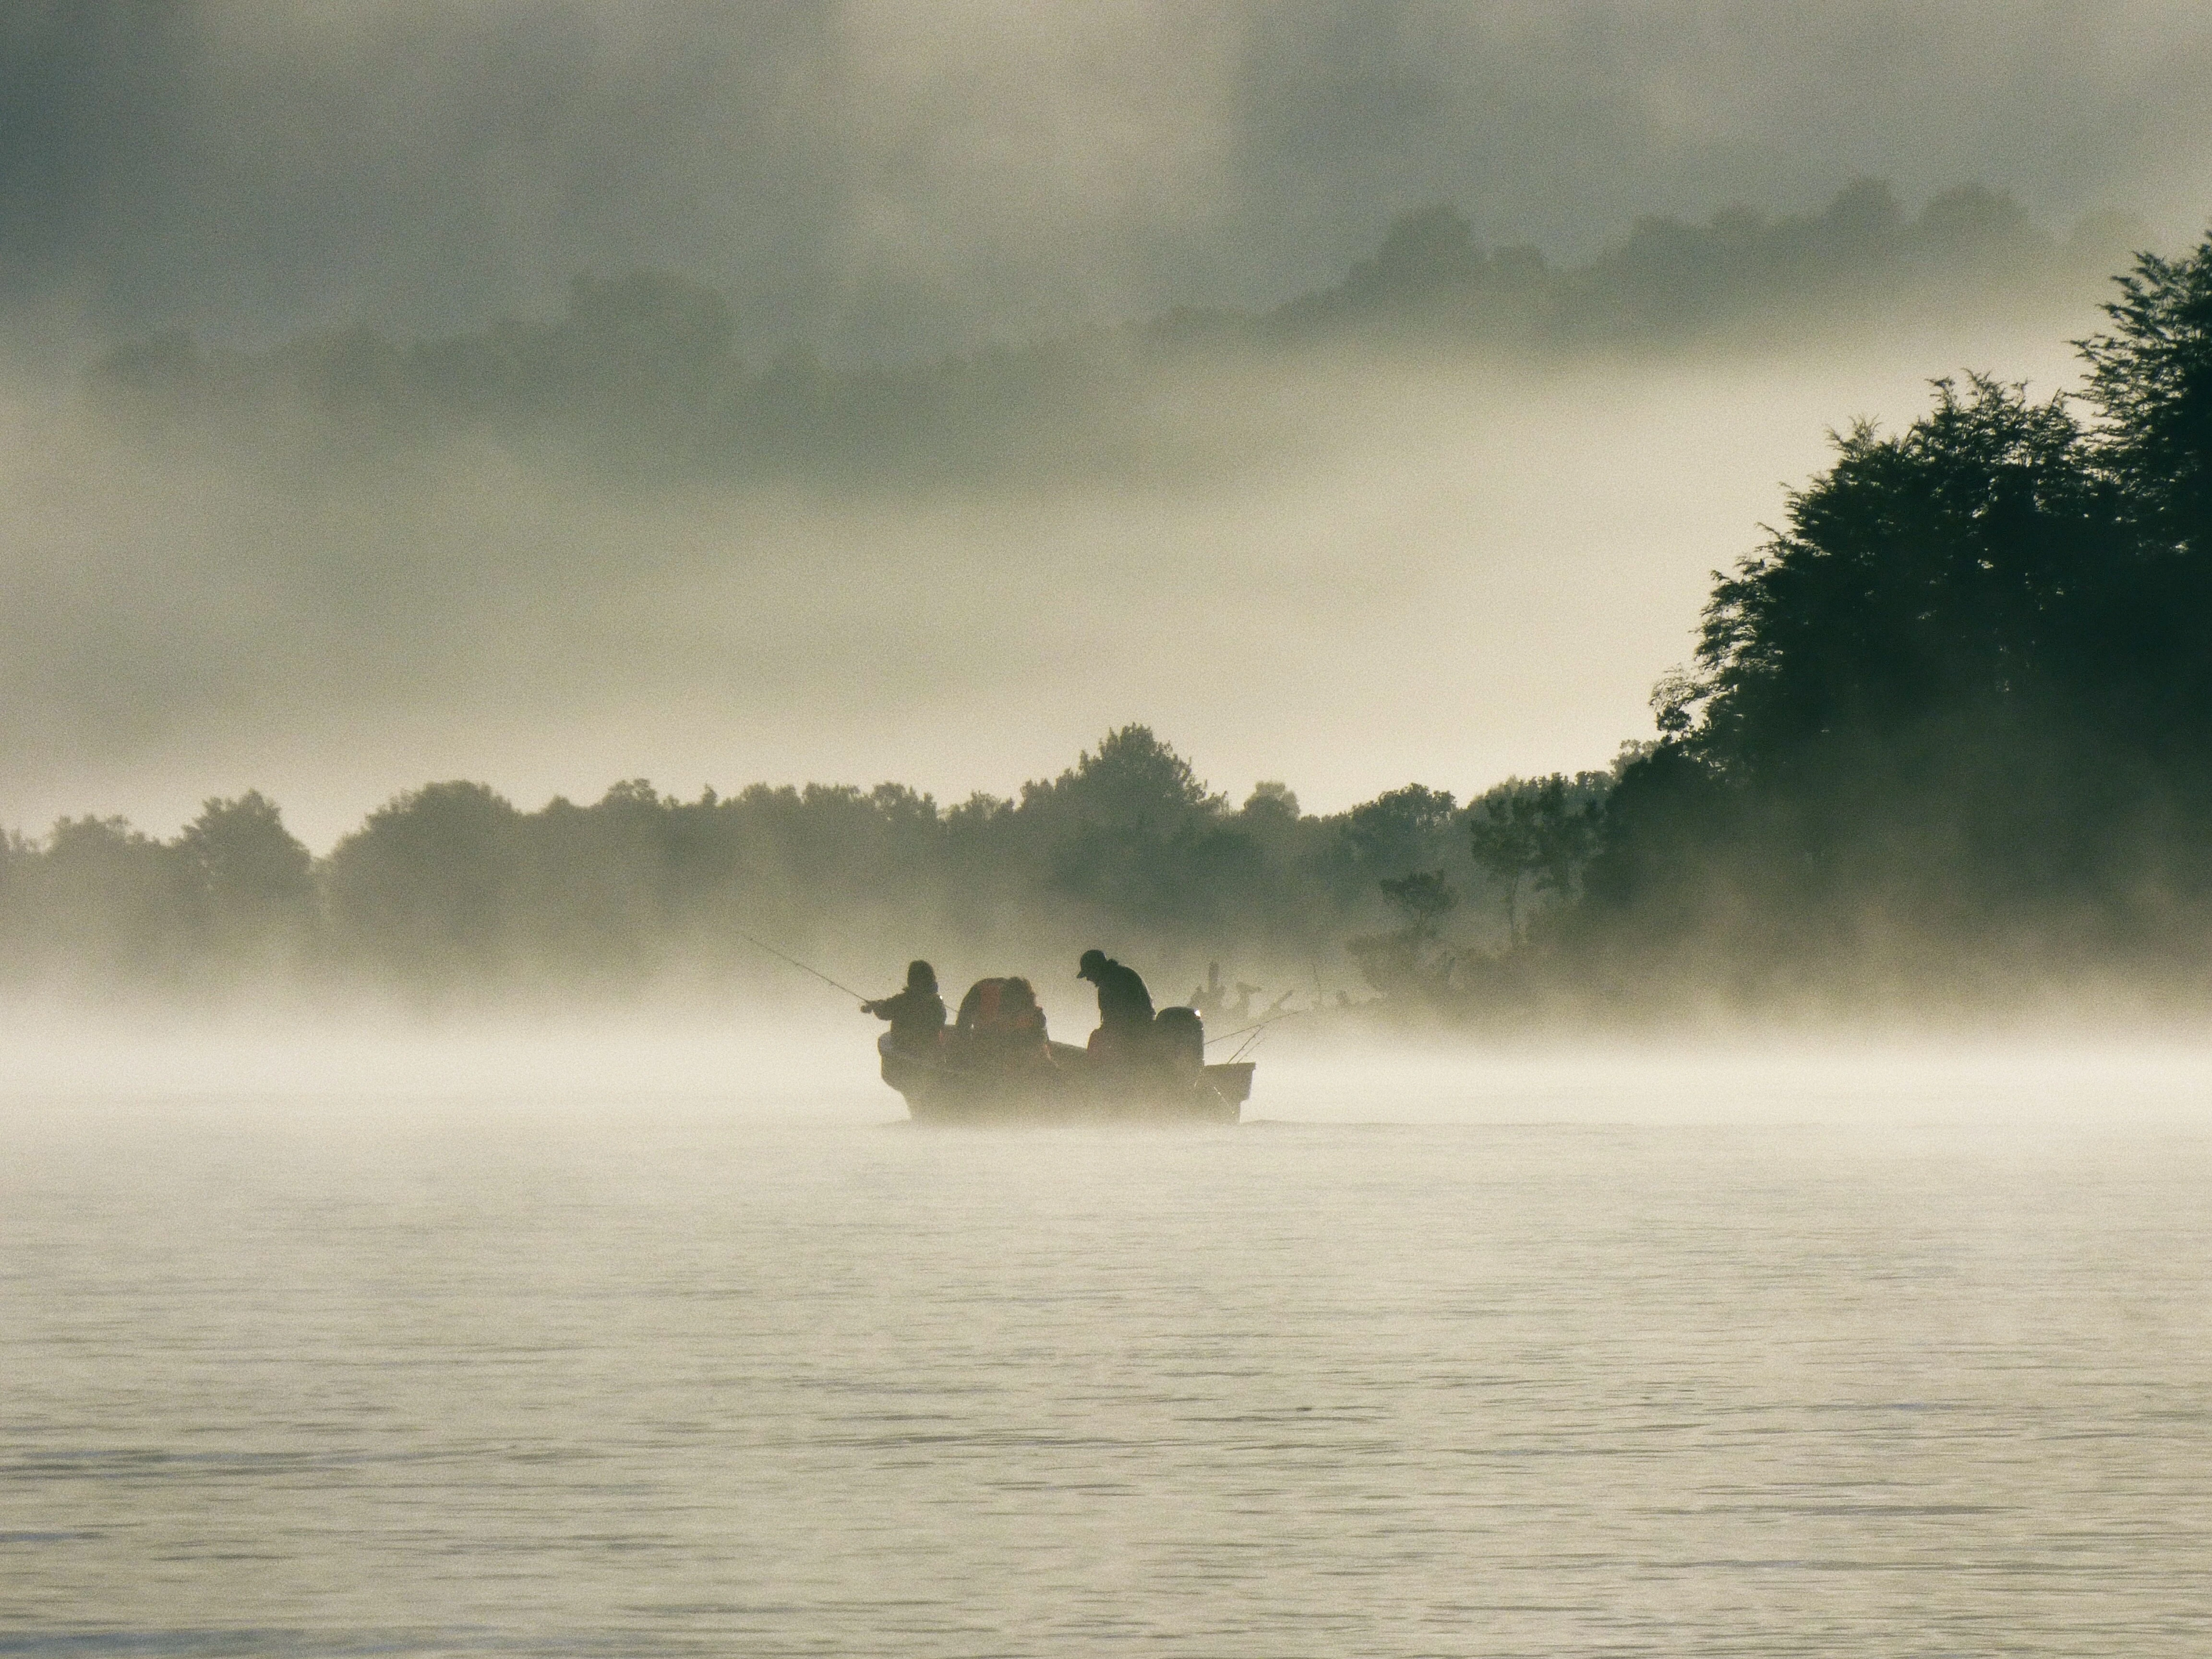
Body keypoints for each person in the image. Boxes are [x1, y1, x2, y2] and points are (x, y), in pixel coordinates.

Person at [1077, 949, 1154, 1059]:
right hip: (1142, 1033)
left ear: (1096, 968)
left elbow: (1115, 1022)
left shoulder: (1110, 983)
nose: (1088, 979)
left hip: (1132, 1039)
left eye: (1088, 973)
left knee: (1097, 1040)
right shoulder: (1123, 974)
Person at [863, 960, 946, 1054]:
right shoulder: (937, 1002)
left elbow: (884, 1012)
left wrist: (875, 1006)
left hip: (904, 1049)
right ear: (931, 979)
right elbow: (941, 1021)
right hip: (928, 1051)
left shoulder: (902, 1000)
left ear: (911, 981)